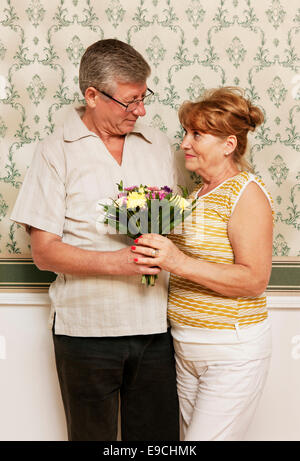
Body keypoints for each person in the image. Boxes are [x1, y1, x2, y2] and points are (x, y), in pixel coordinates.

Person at [10, 39, 180, 441]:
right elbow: (44, 253)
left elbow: (169, 225)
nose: (140, 110)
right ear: (92, 95)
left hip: (156, 328)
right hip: (85, 332)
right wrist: (119, 263)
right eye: (130, 101)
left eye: (144, 97)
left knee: (158, 444)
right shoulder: (55, 151)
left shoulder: (158, 144)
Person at [132, 87, 274, 441]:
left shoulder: (247, 193)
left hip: (231, 352)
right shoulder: (196, 194)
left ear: (228, 144)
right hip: (186, 348)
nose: (184, 143)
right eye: (185, 133)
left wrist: (176, 260)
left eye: (196, 134)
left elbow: (254, 279)